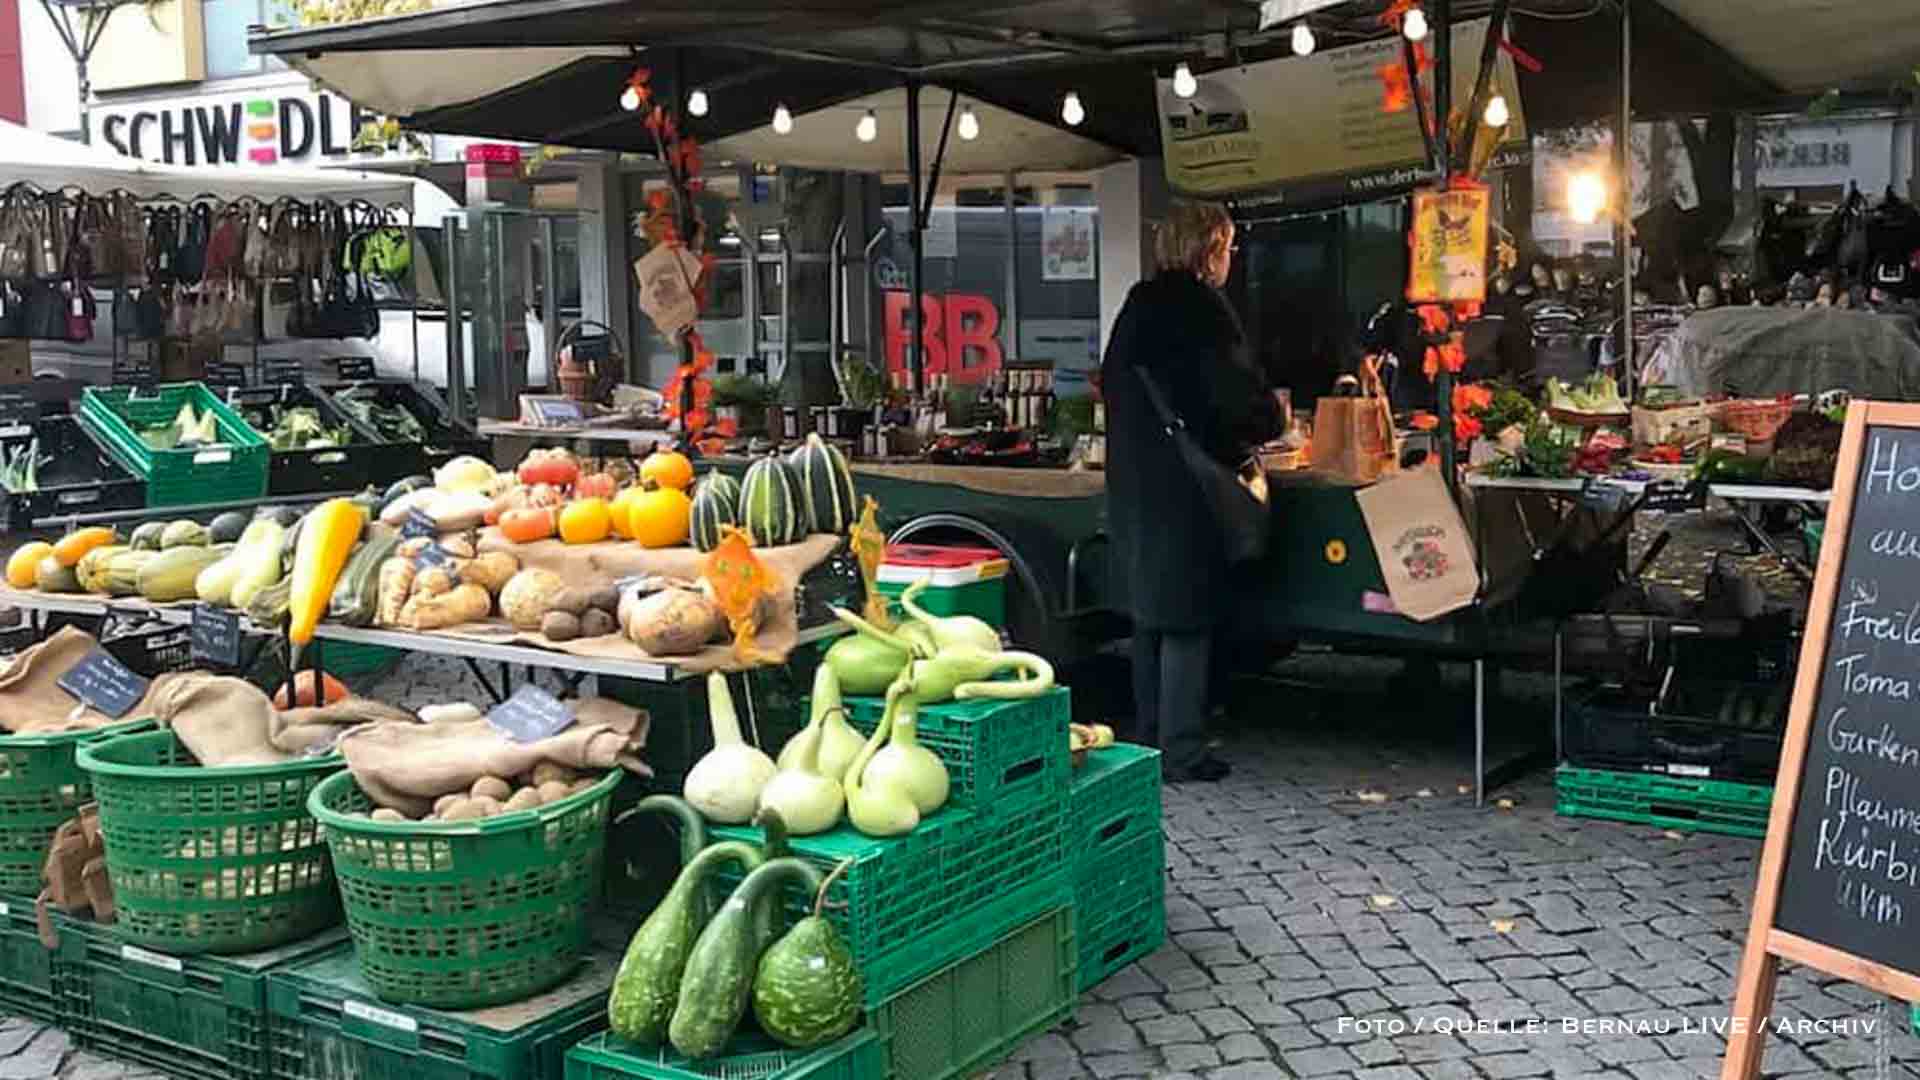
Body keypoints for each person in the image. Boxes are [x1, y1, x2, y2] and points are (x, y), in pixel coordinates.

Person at [1101, 202, 1278, 783]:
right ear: (1208, 250)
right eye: (1228, 247)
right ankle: (1181, 752)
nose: (1232, 258)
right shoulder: (1202, 312)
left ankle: (1149, 739)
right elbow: (1235, 400)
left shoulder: (1135, 307)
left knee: (1150, 615)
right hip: (1188, 487)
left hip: (1135, 481)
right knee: (1186, 618)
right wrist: (1270, 421)